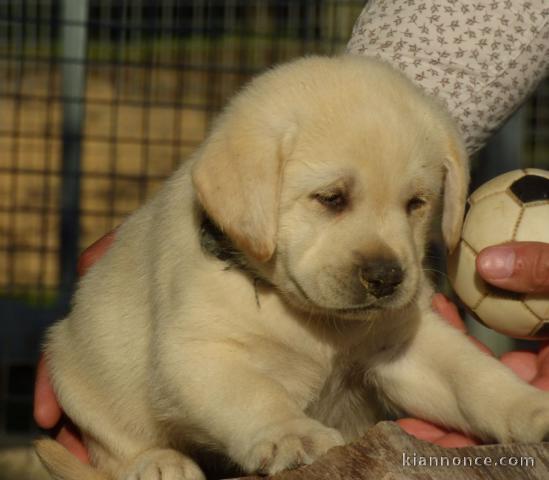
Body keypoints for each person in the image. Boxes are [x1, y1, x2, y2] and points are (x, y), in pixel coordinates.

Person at [34, 0, 549, 460]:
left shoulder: (390, 231)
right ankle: (129, 461)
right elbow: (193, 365)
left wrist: (524, 414)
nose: (387, 260)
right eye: (332, 200)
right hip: (134, 426)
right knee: (74, 362)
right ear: (247, 192)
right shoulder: (210, 233)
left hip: (324, 444)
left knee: (412, 341)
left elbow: (420, 357)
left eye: (414, 203)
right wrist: (270, 424)